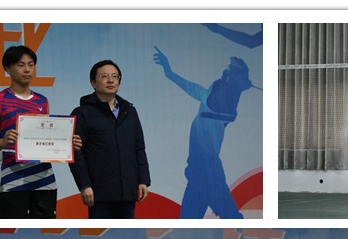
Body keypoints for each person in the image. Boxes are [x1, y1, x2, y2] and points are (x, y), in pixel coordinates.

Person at [0, 45, 82, 219]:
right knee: (15, 232)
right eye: (21, 65)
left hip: (45, 180)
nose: (27, 70)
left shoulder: (42, 101)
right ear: (8, 68)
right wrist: (3, 142)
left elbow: (46, 139)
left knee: (44, 232)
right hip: (12, 181)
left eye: (31, 64)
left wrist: (69, 144)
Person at [153, 48, 253, 219]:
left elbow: (232, 90)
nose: (225, 72)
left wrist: (240, 82)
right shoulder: (207, 95)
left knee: (221, 217)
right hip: (199, 169)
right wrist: (168, 70)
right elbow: (181, 82)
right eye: (227, 68)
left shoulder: (225, 105)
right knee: (198, 219)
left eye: (230, 70)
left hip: (206, 169)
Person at [69, 60, 151, 219]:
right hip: (99, 194)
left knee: (127, 234)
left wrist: (143, 180)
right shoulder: (82, 113)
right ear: (93, 83)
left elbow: (139, 148)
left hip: (127, 192)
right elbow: (75, 152)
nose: (110, 80)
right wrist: (84, 185)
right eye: (104, 76)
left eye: (115, 76)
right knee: (101, 235)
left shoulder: (129, 111)